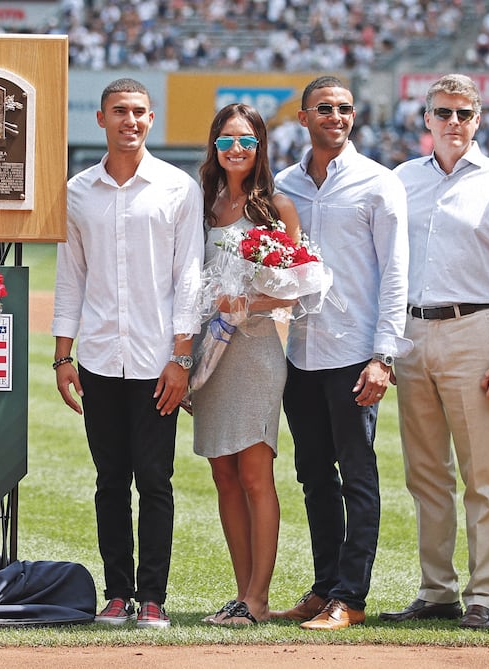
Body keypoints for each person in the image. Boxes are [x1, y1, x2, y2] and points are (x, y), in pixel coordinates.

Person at [384, 74, 489, 630]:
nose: (453, 122)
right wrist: (388, 344)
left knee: (482, 474)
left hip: (475, 330)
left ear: (479, 120)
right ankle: (436, 590)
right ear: (426, 118)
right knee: (425, 473)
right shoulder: (401, 179)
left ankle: (483, 594)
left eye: (464, 114)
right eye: (443, 112)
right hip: (411, 333)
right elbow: (389, 267)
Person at [52, 77, 204, 629]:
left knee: (155, 479)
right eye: (120, 111)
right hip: (96, 357)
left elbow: (189, 278)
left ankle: (154, 596)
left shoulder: (177, 188)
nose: (130, 121)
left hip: (156, 360)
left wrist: (181, 358)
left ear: (151, 118)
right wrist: (62, 355)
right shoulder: (77, 191)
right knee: (109, 480)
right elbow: (71, 276)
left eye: (139, 112)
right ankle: (117, 594)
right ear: (101, 119)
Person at [271, 76, 411, 631]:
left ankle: (350, 597)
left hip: (356, 353)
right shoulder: (284, 184)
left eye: (345, 108)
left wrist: (384, 356)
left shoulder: (380, 183)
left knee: (358, 475)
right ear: (304, 118)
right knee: (313, 474)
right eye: (324, 108)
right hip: (301, 351)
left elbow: (397, 273)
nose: (336, 115)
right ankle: (325, 585)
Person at [191, 103, 301, 626]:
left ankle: (258, 598)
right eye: (228, 140)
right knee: (224, 475)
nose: (237, 149)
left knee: (256, 475)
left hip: (256, 351)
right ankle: (241, 595)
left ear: (261, 148)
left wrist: (245, 305)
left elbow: (295, 291)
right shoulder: (201, 207)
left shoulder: (275, 207)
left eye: (248, 141)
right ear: (214, 146)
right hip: (209, 356)